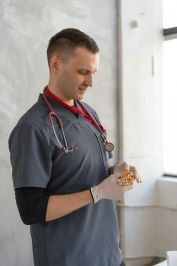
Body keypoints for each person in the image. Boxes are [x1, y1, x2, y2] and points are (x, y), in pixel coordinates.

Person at [8, 28, 138, 266]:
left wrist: (116, 176)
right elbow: (30, 210)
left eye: (93, 72)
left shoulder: (89, 114)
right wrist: (98, 193)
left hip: (109, 255)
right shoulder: (32, 128)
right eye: (83, 72)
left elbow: (84, 175)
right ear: (56, 63)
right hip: (69, 259)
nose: (91, 82)